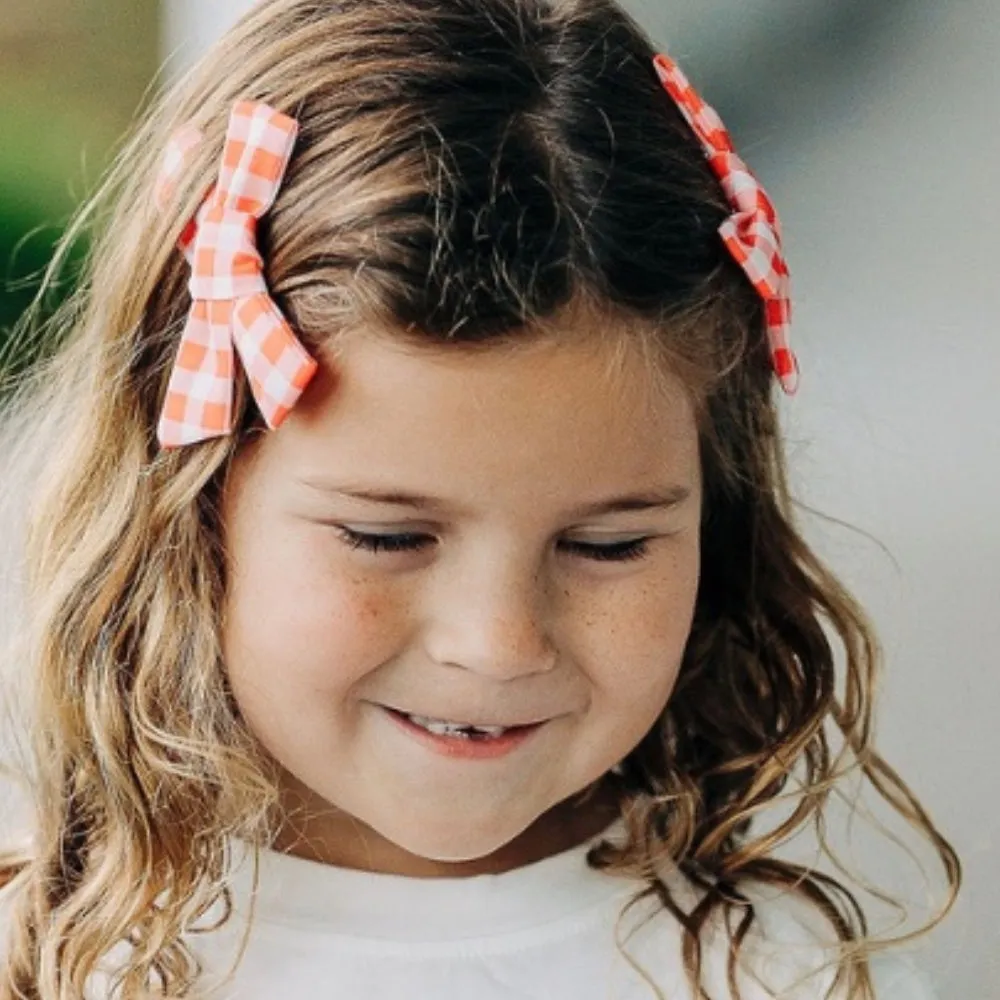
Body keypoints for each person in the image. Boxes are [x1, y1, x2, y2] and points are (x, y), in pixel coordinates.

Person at [0, 0, 959, 997]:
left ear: (716, 514)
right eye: (387, 535)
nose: (499, 642)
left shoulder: (782, 979)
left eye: (607, 544)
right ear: (188, 507)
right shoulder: (50, 960)